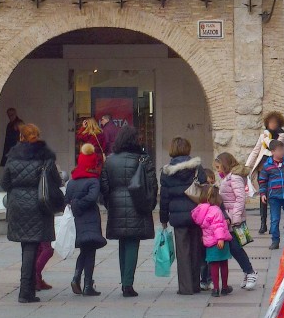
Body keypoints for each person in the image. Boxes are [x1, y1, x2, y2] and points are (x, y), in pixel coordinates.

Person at [0, 122, 63, 303]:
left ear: (21, 137)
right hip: (38, 205)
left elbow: (5, 183)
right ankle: (25, 291)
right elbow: (56, 181)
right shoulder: (45, 158)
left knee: (26, 246)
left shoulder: (12, 158)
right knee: (32, 246)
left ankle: (26, 289)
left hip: (18, 205)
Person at [100, 124, 157, 297]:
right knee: (132, 242)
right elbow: (152, 184)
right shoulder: (143, 159)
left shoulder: (110, 159)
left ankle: (125, 281)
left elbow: (104, 184)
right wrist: (150, 203)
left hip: (116, 204)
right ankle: (127, 284)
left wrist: (109, 202)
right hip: (137, 203)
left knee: (123, 243)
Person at [159, 136, 205, 295]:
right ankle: (196, 284)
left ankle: (185, 287)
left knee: (183, 252)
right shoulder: (197, 168)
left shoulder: (166, 172)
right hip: (197, 214)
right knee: (196, 250)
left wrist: (163, 218)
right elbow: (205, 190)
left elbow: (164, 198)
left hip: (178, 217)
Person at [65, 143, 106, 296]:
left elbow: (67, 199)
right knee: (90, 251)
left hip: (77, 219)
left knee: (85, 250)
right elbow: (93, 198)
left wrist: (75, 204)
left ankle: (77, 278)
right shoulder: (93, 180)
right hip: (90, 218)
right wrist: (80, 204)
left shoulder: (72, 181)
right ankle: (87, 284)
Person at [215, 152, 258, 290]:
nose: (217, 170)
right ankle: (247, 271)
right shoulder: (228, 177)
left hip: (233, 218)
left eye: (218, 166)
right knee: (235, 248)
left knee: (235, 247)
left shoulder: (234, 177)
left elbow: (240, 198)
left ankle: (250, 272)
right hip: (228, 217)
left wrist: (236, 217)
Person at [245, 110, 284, 234]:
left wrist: (266, 138)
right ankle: (263, 223)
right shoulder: (263, 135)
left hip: (275, 169)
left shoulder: (281, 135)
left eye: (274, 122)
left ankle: (274, 224)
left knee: (273, 196)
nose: (272, 124)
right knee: (263, 196)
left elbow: (274, 145)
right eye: (270, 122)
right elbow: (256, 150)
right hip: (262, 168)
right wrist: (247, 165)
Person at [191, 184, 233, 296]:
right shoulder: (215, 210)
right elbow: (218, 225)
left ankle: (215, 288)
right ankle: (224, 287)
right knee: (223, 264)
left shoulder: (201, 210)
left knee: (213, 264)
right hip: (219, 241)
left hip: (209, 242)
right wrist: (220, 238)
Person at [258, 138, 284, 250]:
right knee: (275, 220)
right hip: (274, 197)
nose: (282, 152)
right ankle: (275, 241)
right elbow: (262, 181)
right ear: (273, 152)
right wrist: (263, 194)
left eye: (282, 150)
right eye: (279, 150)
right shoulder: (267, 166)